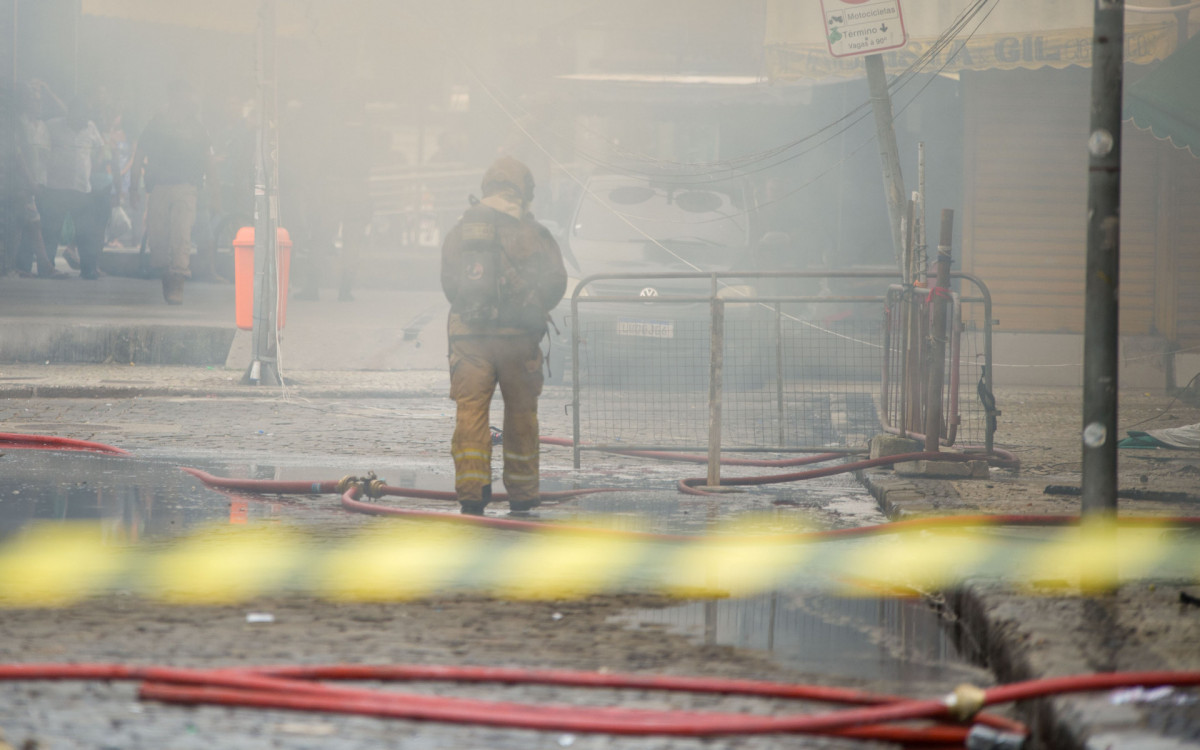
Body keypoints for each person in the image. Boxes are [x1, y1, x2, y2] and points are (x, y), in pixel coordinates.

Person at [440, 156, 567, 515]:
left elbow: (450, 283)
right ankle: (523, 495)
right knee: (521, 416)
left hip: (470, 339)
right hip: (518, 340)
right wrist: (528, 308)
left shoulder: (462, 229)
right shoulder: (534, 232)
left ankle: (471, 492)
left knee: (470, 413)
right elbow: (556, 281)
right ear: (524, 192)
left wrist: (476, 311)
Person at [129, 81, 219, 304]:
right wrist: (133, 187)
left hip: (186, 188)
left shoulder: (196, 128)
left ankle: (177, 281)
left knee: (181, 235)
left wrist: (216, 195)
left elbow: (209, 163)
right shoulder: (156, 124)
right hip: (159, 187)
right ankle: (166, 277)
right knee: (158, 238)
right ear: (171, 96)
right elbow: (139, 156)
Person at [38, 96, 105, 280]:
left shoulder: (91, 127)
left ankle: (89, 270)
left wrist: (94, 166)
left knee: (85, 232)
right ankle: (48, 268)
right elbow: (42, 152)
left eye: (87, 113)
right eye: (81, 112)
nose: (84, 116)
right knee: (51, 230)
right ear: (71, 111)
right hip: (55, 188)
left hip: (81, 188)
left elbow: (100, 148)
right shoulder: (52, 125)